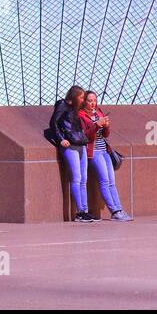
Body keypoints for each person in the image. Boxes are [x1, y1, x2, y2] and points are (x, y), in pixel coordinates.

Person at [80, 91, 132, 222]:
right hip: (94, 151)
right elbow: (86, 135)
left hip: (105, 150)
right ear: (84, 102)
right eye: (89, 101)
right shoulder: (81, 115)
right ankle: (114, 211)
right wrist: (97, 124)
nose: (93, 103)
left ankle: (119, 209)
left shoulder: (98, 112)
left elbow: (105, 135)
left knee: (112, 182)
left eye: (94, 100)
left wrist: (106, 126)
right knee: (104, 181)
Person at [47, 84, 95, 223]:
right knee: (76, 177)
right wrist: (61, 139)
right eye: (81, 97)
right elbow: (54, 123)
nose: (83, 99)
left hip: (80, 143)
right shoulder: (62, 105)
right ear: (74, 97)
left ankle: (85, 210)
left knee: (83, 178)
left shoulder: (77, 109)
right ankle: (80, 212)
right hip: (70, 145)